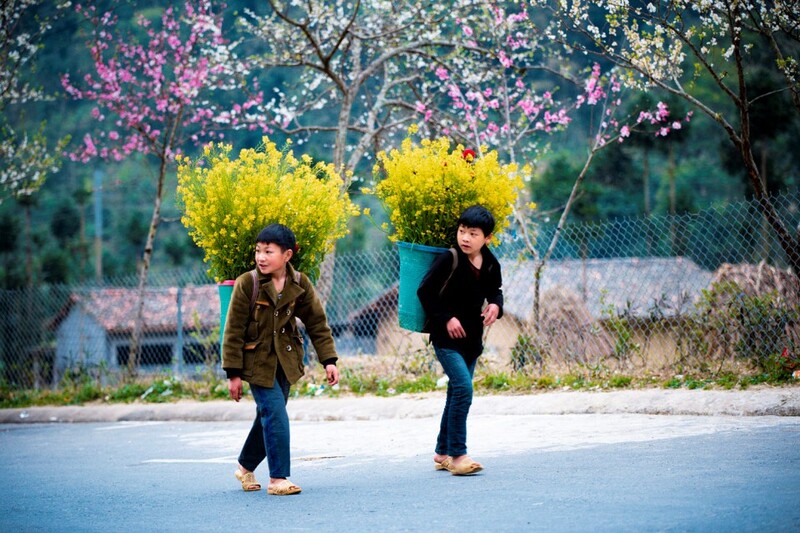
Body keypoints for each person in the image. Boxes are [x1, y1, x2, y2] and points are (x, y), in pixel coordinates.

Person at [222, 223, 339, 495]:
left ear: (287, 255)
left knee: (268, 415)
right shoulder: (247, 283)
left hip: (286, 362)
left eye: (268, 251)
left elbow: (317, 324)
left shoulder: (299, 283)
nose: (261, 257)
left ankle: (244, 466)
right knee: (275, 414)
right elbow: (233, 332)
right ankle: (278, 478)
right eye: (258, 251)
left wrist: (329, 360)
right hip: (255, 364)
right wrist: (233, 374)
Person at [417, 205, 504, 476]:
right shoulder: (449, 259)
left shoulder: (491, 263)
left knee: (456, 392)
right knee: (464, 389)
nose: (465, 238)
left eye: (473, 233)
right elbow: (425, 291)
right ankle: (458, 454)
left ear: (487, 238)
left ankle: (442, 451)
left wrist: (496, 306)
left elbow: (496, 292)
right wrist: (446, 318)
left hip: (472, 340)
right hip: (445, 338)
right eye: (462, 231)